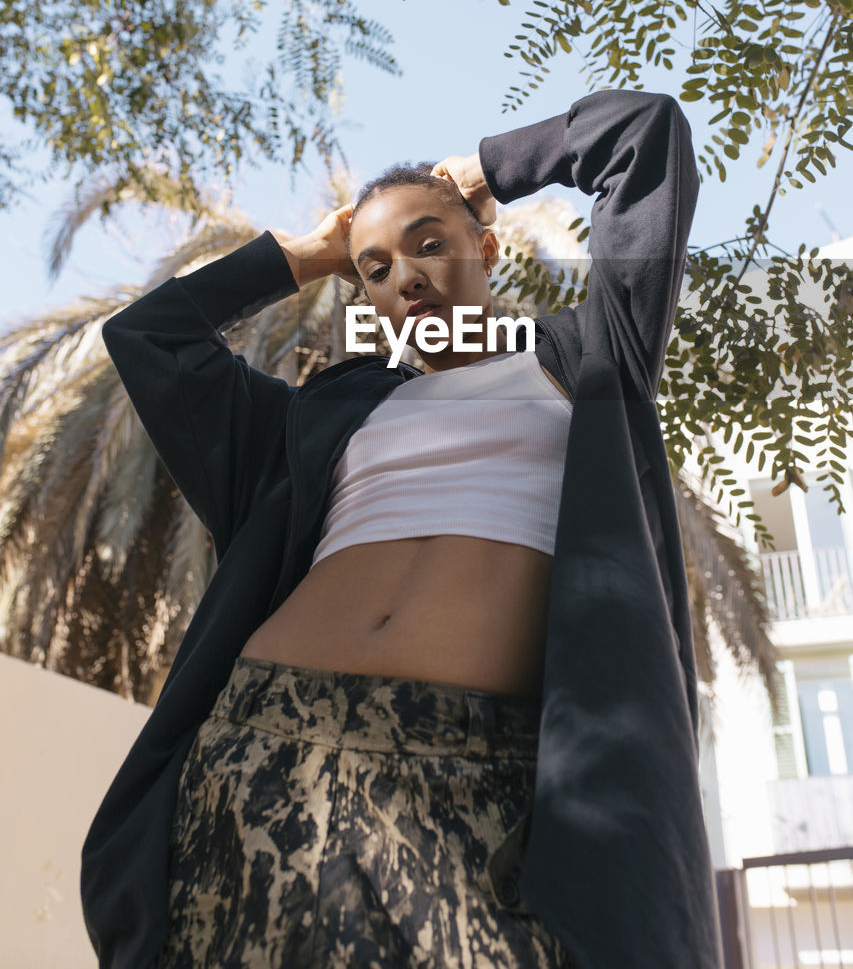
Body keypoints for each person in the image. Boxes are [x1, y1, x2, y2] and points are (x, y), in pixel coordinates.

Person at [80, 89, 725, 969]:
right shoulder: (322, 417)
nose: (406, 275)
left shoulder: (589, 359)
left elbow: (647, 136)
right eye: (376, 268)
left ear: (487, 248)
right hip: (266, 749)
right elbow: (151, 339)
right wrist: (307, 255)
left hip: (481, 773)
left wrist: (486, 170)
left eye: (430, 245)